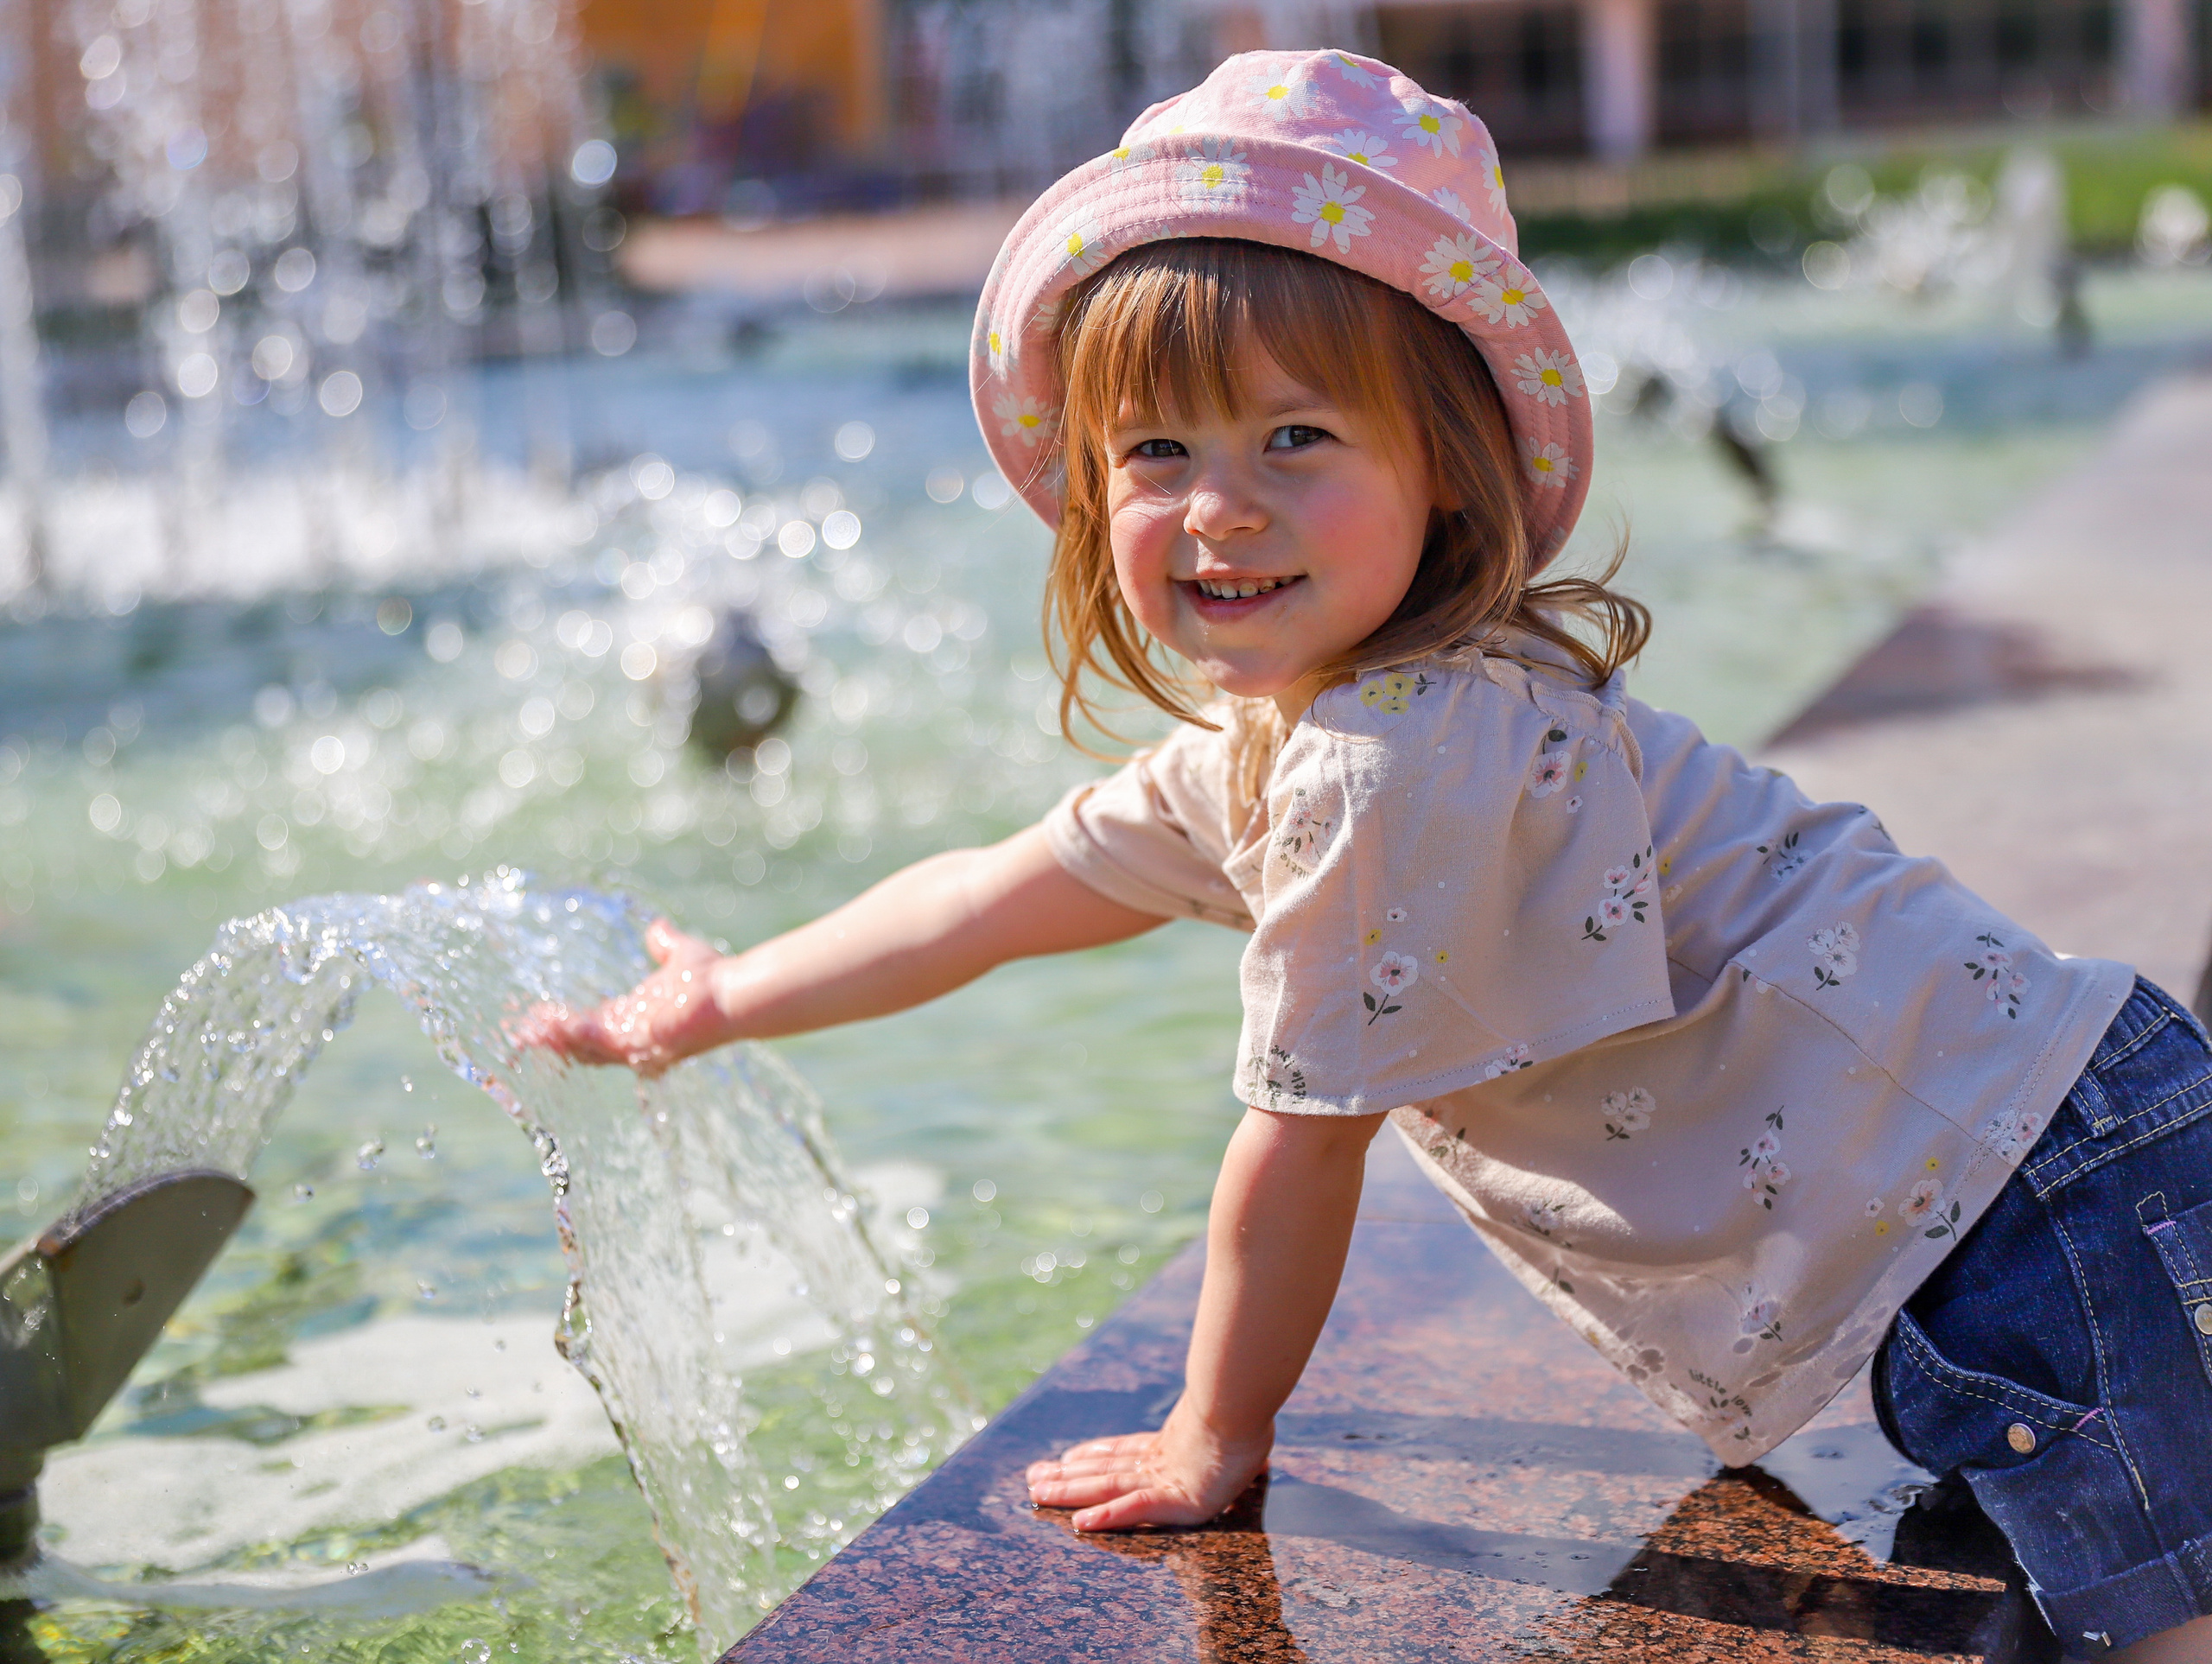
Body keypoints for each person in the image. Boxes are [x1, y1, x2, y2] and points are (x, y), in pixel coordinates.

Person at [525, 50, 2212, 1661]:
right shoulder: (1290, 736)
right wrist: (719, 998)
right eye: (1157, 452)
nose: (1217, 507)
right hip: (2019, 1141)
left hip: (2021, 1184)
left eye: (1295, 441)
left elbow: (1299, 1140)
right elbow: (989, 895)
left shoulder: (1388, 761)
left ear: (1445, 473)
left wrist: (1210, 1436)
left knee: (2156, 1617)